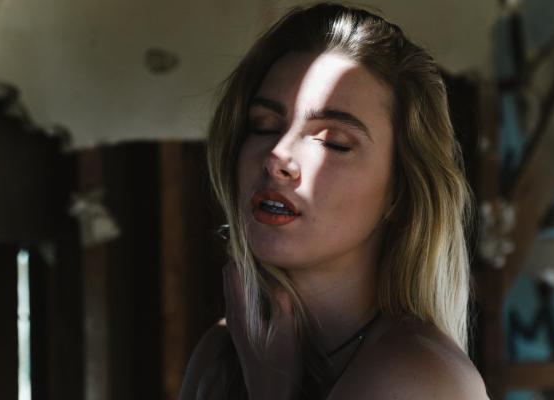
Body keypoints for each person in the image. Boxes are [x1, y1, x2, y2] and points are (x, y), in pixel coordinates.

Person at [179, 3, 489, 399]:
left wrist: (271, 390)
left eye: (333, 142)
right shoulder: (221, 356)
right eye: (263, 126)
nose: (277, 155)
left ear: (400, 191)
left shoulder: (415, 376)